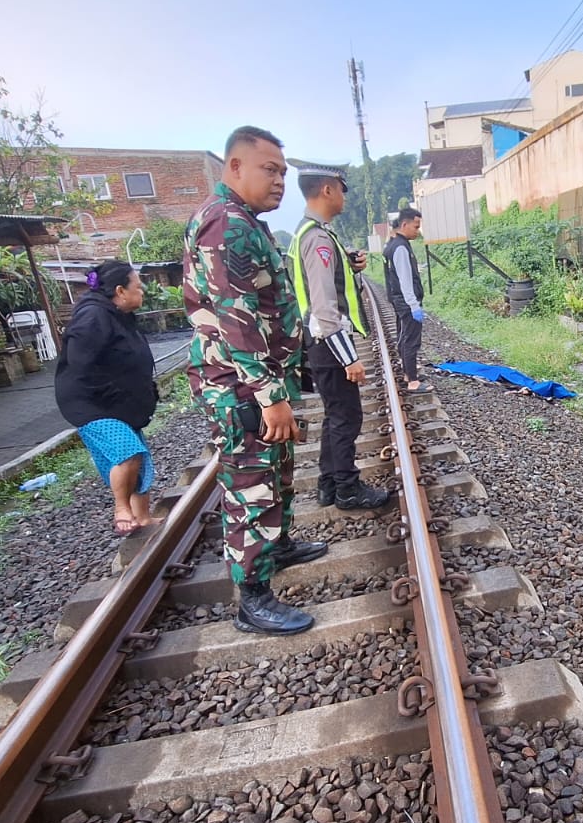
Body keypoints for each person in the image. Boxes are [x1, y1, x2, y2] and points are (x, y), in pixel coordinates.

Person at [184, 126, 327, 636]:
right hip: (241, 386)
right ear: (234, 166)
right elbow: (236, 319)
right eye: (270, 170)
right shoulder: (226, 224)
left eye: (284, 173)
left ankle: (279, 545)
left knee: (277, 468)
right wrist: (270, 398)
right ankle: (253, 598)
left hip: (257, 380)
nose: (281, 182)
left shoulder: (243, 220)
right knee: (250, 484)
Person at [289, 163, 394, 511]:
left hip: (321, 346)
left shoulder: (314, 233)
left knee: (336, 415)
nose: (345, 195)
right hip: (327, 345)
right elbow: (323, 307)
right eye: (342, 187)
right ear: (327, 190)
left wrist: (350, 264)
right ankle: (347, 489)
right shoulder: (317, 238)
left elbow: (329, 284)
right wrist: (349, 357)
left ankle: (329, 485)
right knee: (347, 417)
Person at [54, 259, 160, 534]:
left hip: (120, 403)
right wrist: (114, 396)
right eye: (138, 286)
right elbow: (80, 365)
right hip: (93, 404)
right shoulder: (93, 317)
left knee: (141, 460)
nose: (142, 291)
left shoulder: (118, 316)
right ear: (120, 291)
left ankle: (143, 519)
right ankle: (121, 508)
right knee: (128, 453)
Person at [383, 207, 430, 393]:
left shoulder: (392, 244)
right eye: (416, 226)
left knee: (404, 336)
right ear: (404, 224)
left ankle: (407, 372)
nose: (417, 231)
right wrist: (413, 305)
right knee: (411, 339)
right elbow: (405, 279)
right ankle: (412, 381)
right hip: (406, 301)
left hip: (398, 300)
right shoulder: (400, 247)